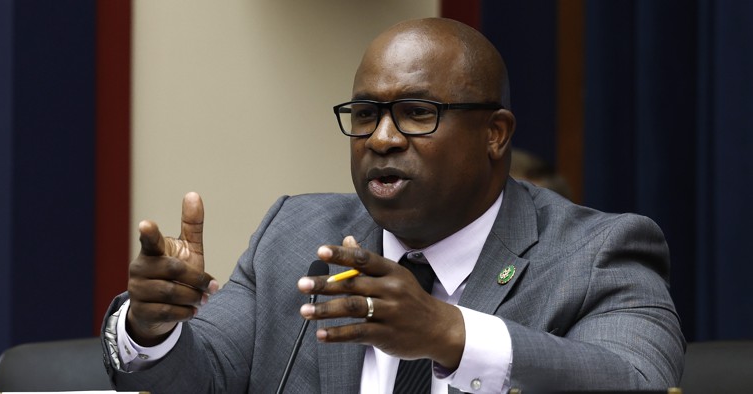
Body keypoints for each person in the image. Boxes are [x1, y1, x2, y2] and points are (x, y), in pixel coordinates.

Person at [101, 18, 684, 393]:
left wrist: (446, 333)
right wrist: (152, 330)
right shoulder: (294, 234)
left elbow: (639, 380)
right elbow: (203, 374)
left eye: (416, 112)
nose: (380, 138)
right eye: (364, 114)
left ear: (495, 134)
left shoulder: (599, 255)